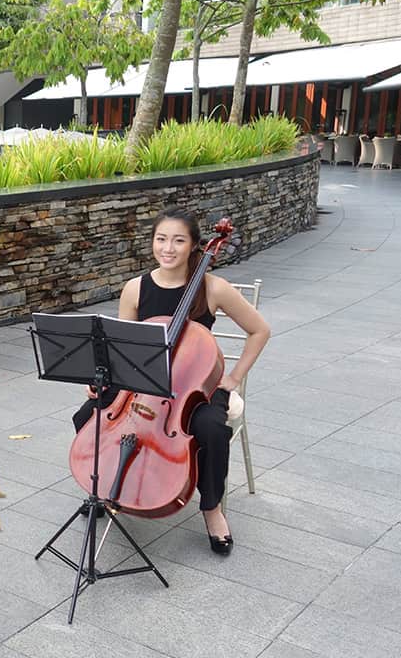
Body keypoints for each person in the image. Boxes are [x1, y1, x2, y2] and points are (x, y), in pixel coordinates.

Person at [71, 208, 270, 555]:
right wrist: (102, 381)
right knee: (88, 415)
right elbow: (122, 349)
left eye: (179, 240)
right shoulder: (135, 289)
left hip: (194, 386)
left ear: (194, 246)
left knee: (211, 430)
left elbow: (260, 330)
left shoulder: (213, 288)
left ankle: (211, 508)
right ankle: (102, 487)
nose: (168, 248)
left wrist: (234, 378)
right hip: (141, 382)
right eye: (161, 239)